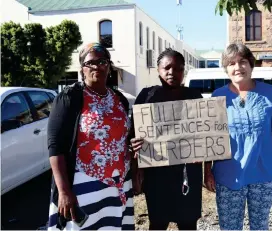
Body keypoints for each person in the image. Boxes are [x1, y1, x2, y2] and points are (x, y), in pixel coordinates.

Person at [204, 43, 272, 230]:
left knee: (260, 226)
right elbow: (210, 136)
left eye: (242, 61)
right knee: (229, 227)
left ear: (251, 64)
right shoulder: (217, 96)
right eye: (231, 63)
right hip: (228, 175)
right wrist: (207, 171)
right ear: (226, 68)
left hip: (264, 174)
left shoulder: (268, 93)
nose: (237, 67)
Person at [47, 43, 134, 230]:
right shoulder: (69, 98)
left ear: (109, 67)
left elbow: (125, 137)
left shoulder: (120, 99)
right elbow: (55, 146)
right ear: (82, 69)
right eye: (90, 63)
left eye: (102, 61)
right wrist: (64, 191)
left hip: (118, 181)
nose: (97, 66)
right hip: (83, 183)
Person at [130, 48, 203, 230]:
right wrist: (134, 148)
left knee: (188, 223)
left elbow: (205, 135)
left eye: (178, 68)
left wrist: (207, 165)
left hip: (188, 173)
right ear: (158, 69)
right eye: (167, 67)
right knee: (158, 222)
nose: (172, 72)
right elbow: (132, 134)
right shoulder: (146, 96)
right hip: (156, 175)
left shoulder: (194, 96)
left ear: (183, 70)